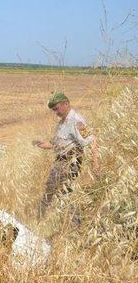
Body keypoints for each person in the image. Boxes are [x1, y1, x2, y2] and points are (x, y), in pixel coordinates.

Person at [32, 92, 100, 221]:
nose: (55, 112)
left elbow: (91, 141)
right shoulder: (62, 123)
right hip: (60, 163)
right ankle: (40, 220)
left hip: (70, 163)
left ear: (66, 103)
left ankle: (73, 224)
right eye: (53, 110)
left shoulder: (76, 121)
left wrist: (95, 164)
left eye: (56, 108)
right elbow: (54, 144)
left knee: (63, 194)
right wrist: (39, 144)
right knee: (54, 192)